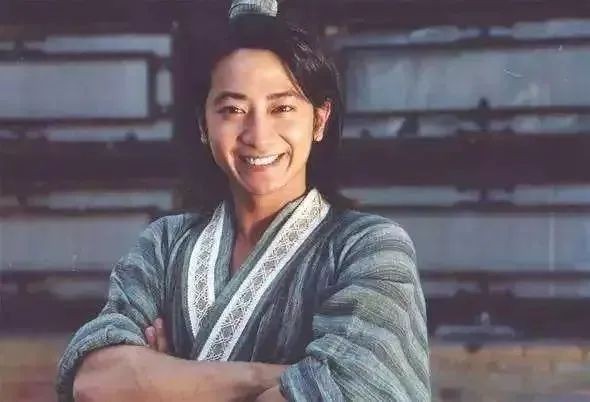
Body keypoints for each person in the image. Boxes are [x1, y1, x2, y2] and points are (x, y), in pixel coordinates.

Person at [56, 1, 430, 401]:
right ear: (203, 124)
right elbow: (95, 382)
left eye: (282, 107)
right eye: (233, 109)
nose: (258, 135)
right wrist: (278, 377)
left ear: (319, 120)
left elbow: (352, 388)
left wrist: (164, 380)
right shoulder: (164, 245)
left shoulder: (368, 247)